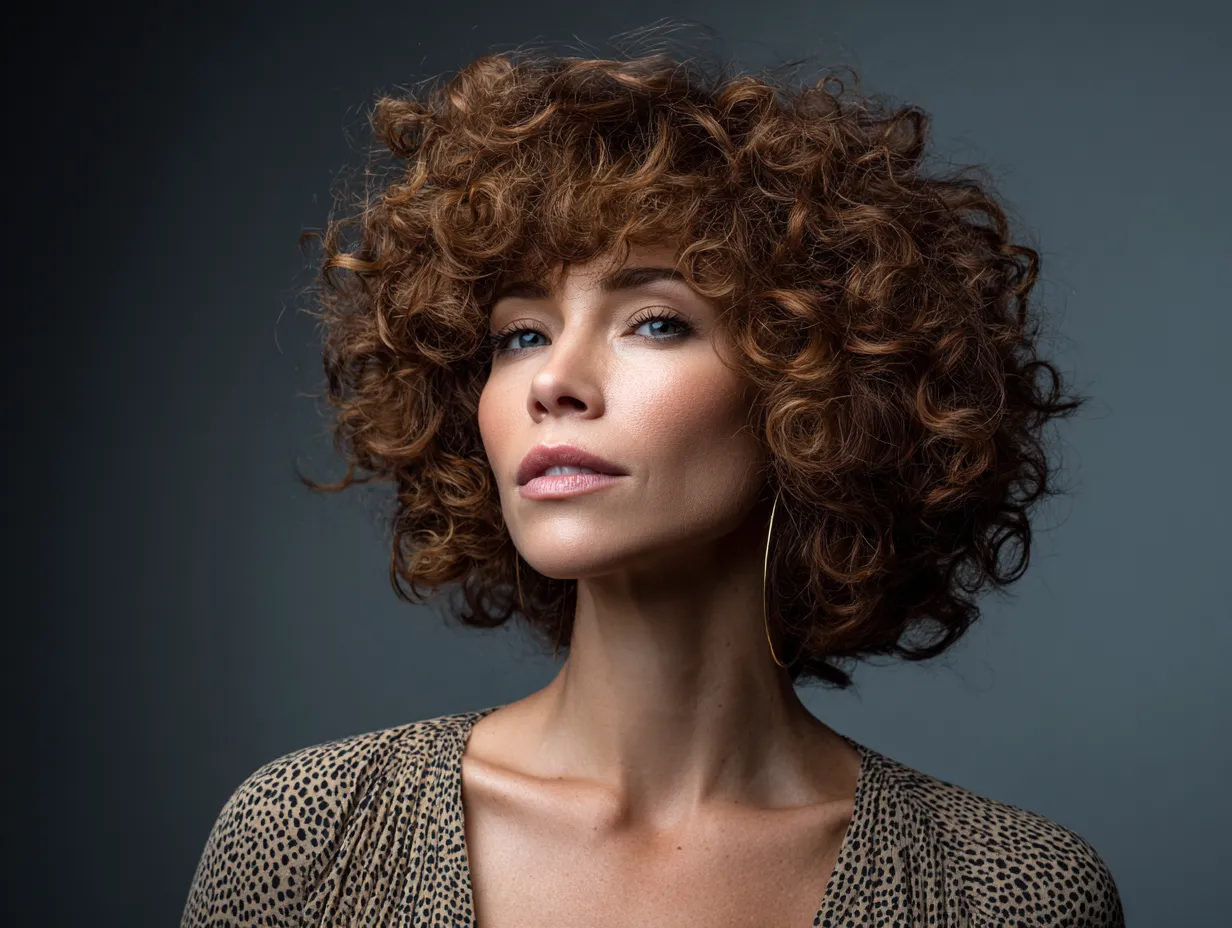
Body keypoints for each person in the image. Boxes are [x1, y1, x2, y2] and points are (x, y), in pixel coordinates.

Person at [181, 45, 1126, 927]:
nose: (555, 380)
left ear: (818, 387)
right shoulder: (311, 837)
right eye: (521, 334)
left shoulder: (1009, 894)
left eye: (656, 322)